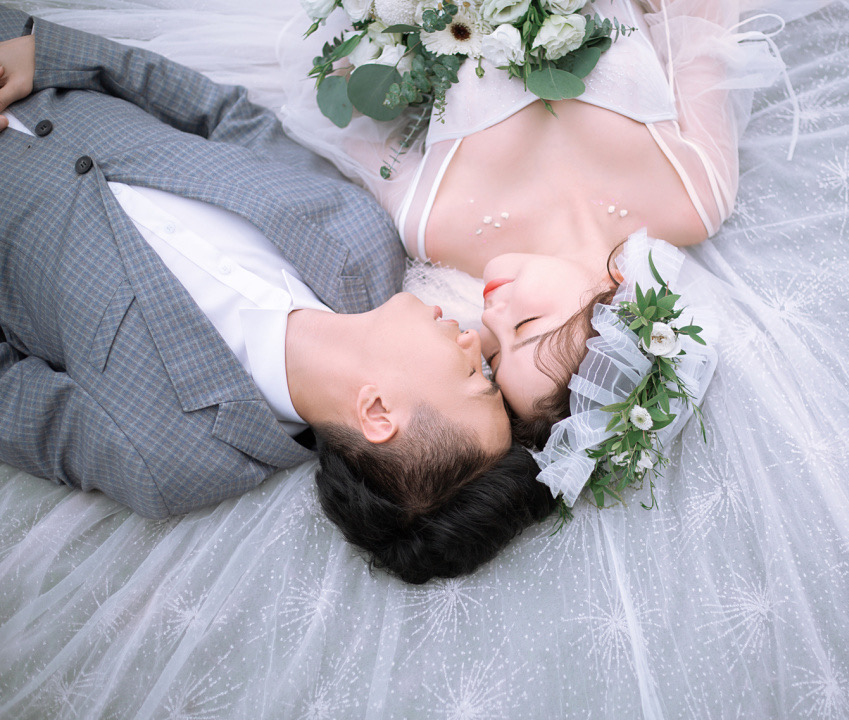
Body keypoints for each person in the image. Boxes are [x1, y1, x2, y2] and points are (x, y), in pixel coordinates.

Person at [0, 8, 556, 584]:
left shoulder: (163, 456)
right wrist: (51, 55)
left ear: (377, 412)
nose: (473, 342)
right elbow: (223, 115)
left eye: (474, 378)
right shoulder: (361, 239)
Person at [280, 0, 774, 447]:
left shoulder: (436, 227)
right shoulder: (693, 199)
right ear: (615, 296)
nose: (489, 319)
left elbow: (351, 106)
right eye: (525, 325)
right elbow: (700, 24)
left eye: (495, 357)